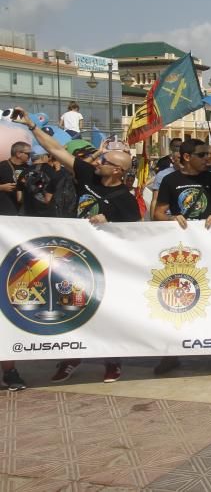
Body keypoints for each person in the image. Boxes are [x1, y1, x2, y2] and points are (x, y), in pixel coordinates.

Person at [19, 109, 141, 382]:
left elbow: (135, 234)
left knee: (107, 314)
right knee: (71, 309)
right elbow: (57, 150)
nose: (97, 161)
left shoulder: (125, 199)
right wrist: (31, 127)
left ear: (117, 170)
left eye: (104, 160)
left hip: (107, 266)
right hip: (74, 261)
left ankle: (112, 361)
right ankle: (70, 358)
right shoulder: (89, 176)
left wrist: (108, 220)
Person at [152, 138, 211, 375]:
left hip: (209, 248)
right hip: (179, 251)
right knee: (174, 300)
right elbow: (157, 213)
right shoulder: (170, 180)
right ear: (187, 157)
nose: (209, 159)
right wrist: (170, 219)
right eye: (203, 155)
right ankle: (170, 353)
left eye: (209, 154)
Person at [0, 140, 31, 215]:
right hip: (4, 212)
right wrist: (1, 187)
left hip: (25, 211)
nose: (30, 156)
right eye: (28, 154)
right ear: (18, 154)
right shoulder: (2, 166)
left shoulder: (30, 169)